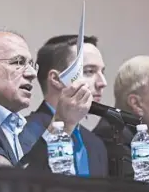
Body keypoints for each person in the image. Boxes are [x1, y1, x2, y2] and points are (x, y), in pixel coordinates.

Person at [0, 29, 93, 168]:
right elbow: (15, 187)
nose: (32, 74)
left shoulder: (20, 128)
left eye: (31, 64)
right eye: (18, 62)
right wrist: (63, 122)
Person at [22, 35, 109, 177]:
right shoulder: (23, 132)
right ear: (56, 79)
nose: (102, 82)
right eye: (89, 71)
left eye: (102, 72)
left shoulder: (96, 144)